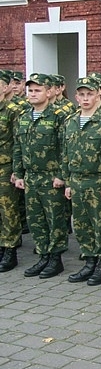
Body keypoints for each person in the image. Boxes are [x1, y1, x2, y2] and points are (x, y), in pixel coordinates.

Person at [13, 73, 72, 279]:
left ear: (49, 92)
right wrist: (18, 173)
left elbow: (66, 149)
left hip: (50, 178)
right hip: (31, 177)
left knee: (54, 219)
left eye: (38, 90)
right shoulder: (24, 117)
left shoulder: (59, 117)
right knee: (35, 219)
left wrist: (61, 175)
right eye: (30, 90)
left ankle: (55, 259)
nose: (33, 94)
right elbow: (18, 148)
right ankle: (43, 255)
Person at [61, 77, 101, 285]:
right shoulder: (71, 121)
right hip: (76, 181)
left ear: (98, 94)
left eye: (89, 94)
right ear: (76, 96)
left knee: (100, 224)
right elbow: (66, 154)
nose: (85, 98)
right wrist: (68, 182)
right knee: (82, 225)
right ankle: (89, 261)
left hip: (97, 181)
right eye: (82, 94)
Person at [0, 70, 22, 272]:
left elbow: (18, 142)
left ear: (6, 87)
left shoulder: (12, 110)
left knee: (8, 210)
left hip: (5, 168)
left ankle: (10, 249)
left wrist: (16, 169)